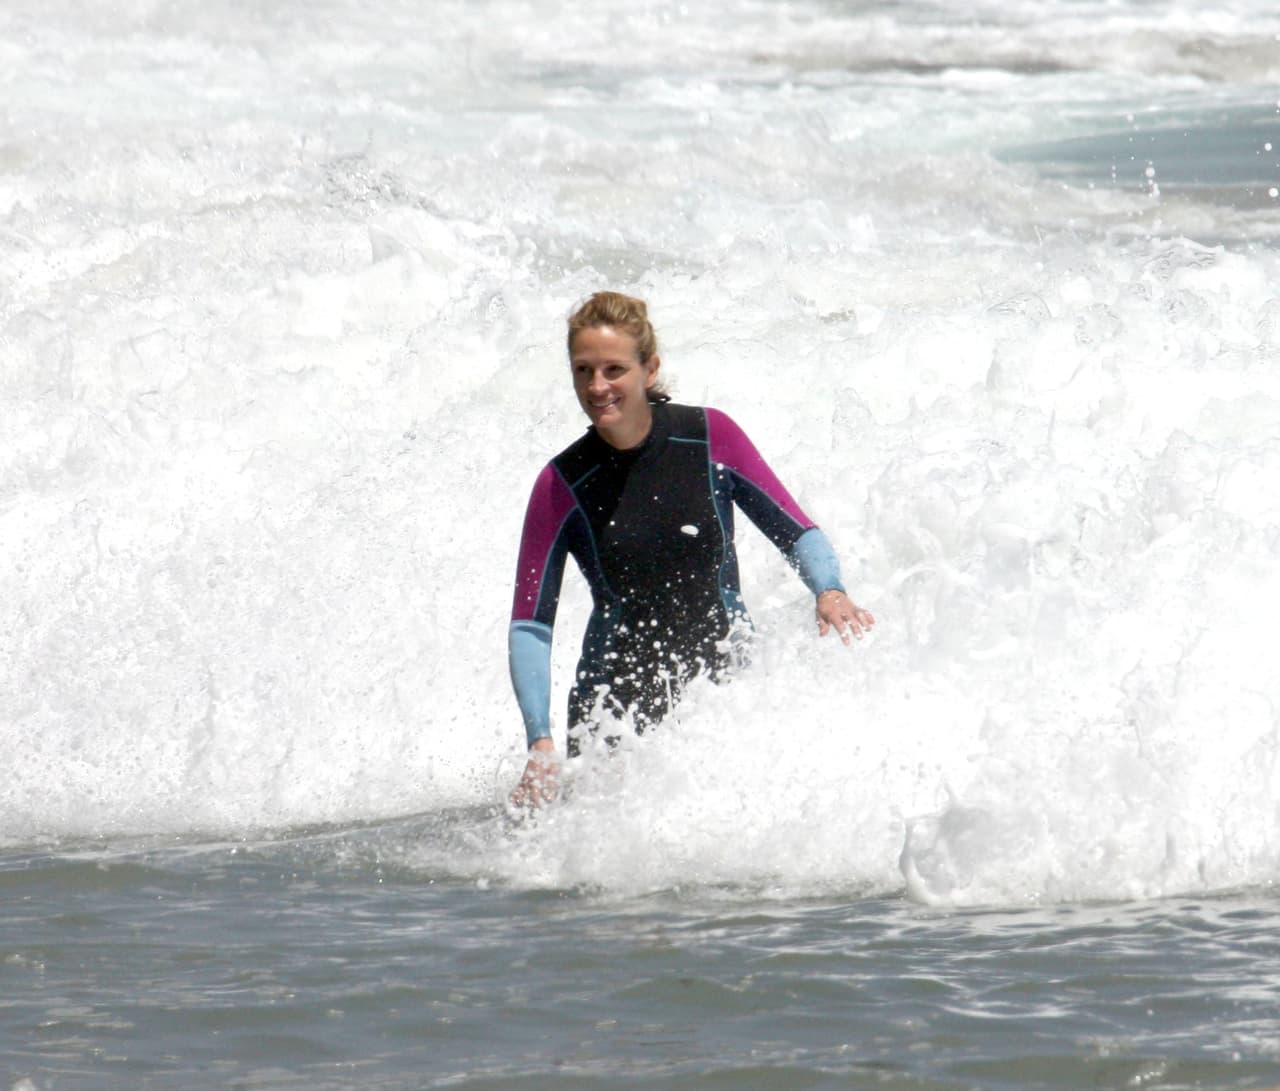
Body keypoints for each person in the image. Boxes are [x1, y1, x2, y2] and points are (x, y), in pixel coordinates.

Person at [508, 291, 874, 806]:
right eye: (583, 370)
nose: (597, 386)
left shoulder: (709, 437)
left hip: (725, 706)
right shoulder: (561, 483)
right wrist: (540, 741)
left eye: (614, 368)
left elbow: (795, 529)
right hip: (614, 720)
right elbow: (531, 623)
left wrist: (829, 589)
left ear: (649, 368)